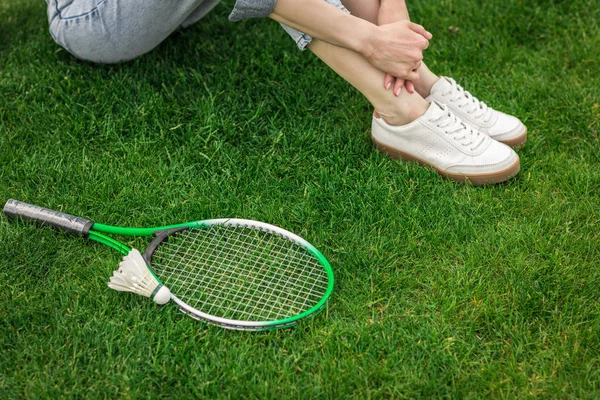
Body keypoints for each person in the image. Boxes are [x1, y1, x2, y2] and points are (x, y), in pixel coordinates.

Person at [46, 0, 527, 185]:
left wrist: (394, 15)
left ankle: (417, 78)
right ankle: (399, 108)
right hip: (93, 15)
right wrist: (368, 39)